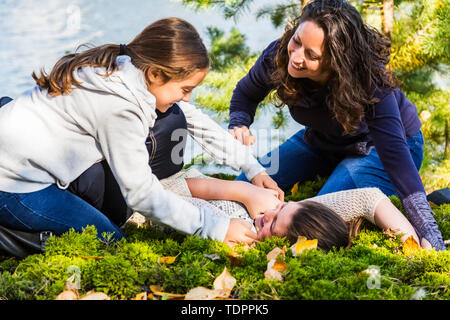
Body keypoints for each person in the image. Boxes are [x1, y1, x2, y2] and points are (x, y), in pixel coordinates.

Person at [0, 18, 283, 247]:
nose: (187, 98)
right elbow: (141, 195)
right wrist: (217, 227)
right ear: (156, 74)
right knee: (111, 241)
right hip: (13, 184)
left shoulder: (126, 66)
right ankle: (10, 236)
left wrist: (253, 168)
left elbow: (194, 119)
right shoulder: (119, 107)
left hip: (17, 152)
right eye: (186, 89)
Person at [227, 0, 445, 250]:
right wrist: (240, 123)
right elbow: (245, 94)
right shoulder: (278, 56)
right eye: (297, 41)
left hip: (380, 149)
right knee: (243, 184)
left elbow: (395, 154)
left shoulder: (369, 80)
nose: (296, 57)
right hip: (322, 141)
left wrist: (428, 228)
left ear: (337, 61)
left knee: (314, 218)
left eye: (312, 55)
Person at [159, 167, 424, 252]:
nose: (268, 214)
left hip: (146, 187)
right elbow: (369, 198)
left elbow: (166, 194)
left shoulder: (237, 234)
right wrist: (410, 247)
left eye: (272, 225)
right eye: (283, 207)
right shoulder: (296, 215)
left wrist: (242, 191)